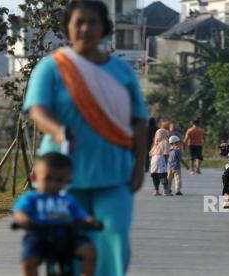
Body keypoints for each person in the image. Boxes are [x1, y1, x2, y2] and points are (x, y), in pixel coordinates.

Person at [23, 1, 149, 275]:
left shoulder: (122, 71)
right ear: (67, 27)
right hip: (62, 174)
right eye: (78, 22)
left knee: (113, 234)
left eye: (93, 22)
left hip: (114, 173)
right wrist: (58, 130)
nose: (85, 28)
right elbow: (37, 109)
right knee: (67, 241)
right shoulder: (51, 67)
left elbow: (139, 120)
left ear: (104, 28)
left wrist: (139, 167)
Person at [13, 153, 96, 276]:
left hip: (67, 235)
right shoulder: (31, 198)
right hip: (39, 234)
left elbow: (80, 213)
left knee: (90, 252)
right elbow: (20, 211)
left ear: (67, 181)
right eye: (48, 179)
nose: (53, 184)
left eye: (59, 180)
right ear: (35, 178)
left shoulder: (67, 200)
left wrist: (90, 220)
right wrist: (23, 220)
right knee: (28, 262)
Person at [149, 128, 171, 196]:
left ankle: (156, 191)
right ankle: (165, 191)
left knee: (155, 175)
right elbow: (166, 153)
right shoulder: (165, 141)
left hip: (153, 159)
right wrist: (166, 161)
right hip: (161, 158)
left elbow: (150, 153)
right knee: (163, 175)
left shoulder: (156, 142)